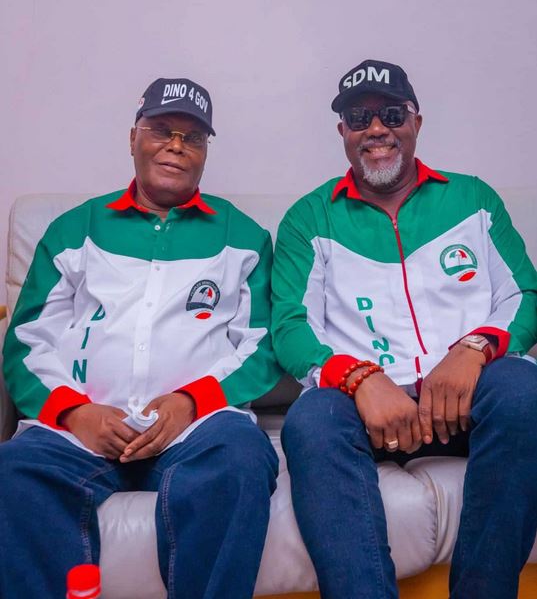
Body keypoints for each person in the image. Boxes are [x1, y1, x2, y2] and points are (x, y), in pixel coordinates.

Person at [0, 77, 280, 599]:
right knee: (14, 472)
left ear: (205, 151)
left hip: (197, 428)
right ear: (133, 137)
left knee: (242, 458)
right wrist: (75, 413)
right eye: (161, 130)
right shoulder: (74, 229)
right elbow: (25, 342)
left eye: (192, 137)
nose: (176, 146)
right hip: (79, 429)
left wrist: (190, 403)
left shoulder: (243, 236)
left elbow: (262, 347)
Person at [271, 59, 537, 599]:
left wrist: (473, 349)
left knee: (523, 389)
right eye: (358, 117)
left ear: (416, 121)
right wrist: (361, 379)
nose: (376, 129)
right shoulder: (309, 218)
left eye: (391, 114)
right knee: (311, 419)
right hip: (369, 410)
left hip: (466, 400)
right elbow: (291, 328)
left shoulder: (473, 199)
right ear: (342, 131)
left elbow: (525, 295)